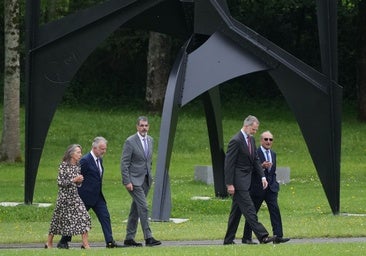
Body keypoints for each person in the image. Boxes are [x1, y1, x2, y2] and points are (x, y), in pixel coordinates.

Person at [58, 137, 122, 249]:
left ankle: (110, 242)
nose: (104, 151)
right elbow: (74, 175)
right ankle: (63, 241)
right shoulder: (85, 160)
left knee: (105, 216)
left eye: (105, 149)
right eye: (102, 149)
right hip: (84, 196)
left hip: (97, 196)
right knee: (75, 219)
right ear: (94, 148)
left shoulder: (99, 159)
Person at [223, 115, 274, 245]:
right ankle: (263, 236)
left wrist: (263, 176)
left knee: (236, 212)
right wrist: (229, 184)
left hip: (247, 181)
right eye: (254, 129)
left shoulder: (250, 140)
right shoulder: (236, 140)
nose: (255, 132)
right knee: (250, 209)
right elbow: (229, 164)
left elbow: (255, 159)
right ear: (246, 126)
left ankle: (228, 240)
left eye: (256, 130)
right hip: (239, 183)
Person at [242, 131, 290, 244]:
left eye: (270, 139)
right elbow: (248, 170)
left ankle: (278, 236)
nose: (268, 141)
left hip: (271, 188)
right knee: (252, 213)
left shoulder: (273, 154)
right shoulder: (255, 153)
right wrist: (261, 166)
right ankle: (247, 238)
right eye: (266, 139)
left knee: (275, 211)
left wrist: (274, 184)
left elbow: (272, 172)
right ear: (261, 140)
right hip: (257, 188)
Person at [121, 116, 161, 247]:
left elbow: (148, 160)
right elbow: (124, 163)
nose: (144, 128)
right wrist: (127, 181)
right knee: (143, 207)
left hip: (146, 180)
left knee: (136, 209)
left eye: (146, 125)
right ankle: (148, 237)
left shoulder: (150, 140)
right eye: (142, 125)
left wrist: (150, 177)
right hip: (134, 181)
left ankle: (129, 238)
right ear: (137, 127)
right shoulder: (130, 141)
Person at [45, 144, 91, 249]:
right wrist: (74, 180)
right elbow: (60, 182)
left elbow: (77, 184)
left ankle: (85, 244)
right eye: (78, 152)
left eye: (80, 152)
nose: (80, 155)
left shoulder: (78, 165)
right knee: (58, 220)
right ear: (71, 154)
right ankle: (49, 242)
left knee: (84, 217)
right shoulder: (63, 165)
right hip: (64, 198)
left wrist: (80, 181)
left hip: (74, 197)